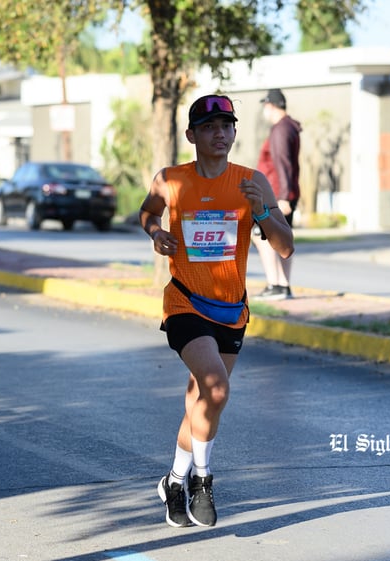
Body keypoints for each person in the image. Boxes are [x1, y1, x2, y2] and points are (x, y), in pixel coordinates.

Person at [139, 94, 294, 528]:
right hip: (185, 301)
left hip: (230, 310)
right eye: (209, 127)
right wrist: (156, 232)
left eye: (227, 126)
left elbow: (285, 245)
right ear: (191, 135)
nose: (220, 134)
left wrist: (261, 209)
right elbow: (148, 212)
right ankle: (203, 480)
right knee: (217, 389)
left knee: (201, 401)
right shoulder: (170, 180)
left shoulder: (252, 181)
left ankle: (173, 480)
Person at [252, 88, 302, 300]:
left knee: (261, 236)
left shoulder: (280, 130)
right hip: (282, 192)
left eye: (265, 106)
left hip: (275, 194)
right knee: (282, 236)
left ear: (271, 106)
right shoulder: (289, 127)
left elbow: (283, 163)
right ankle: (283, 285)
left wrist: (283, 197)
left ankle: (275, 284)